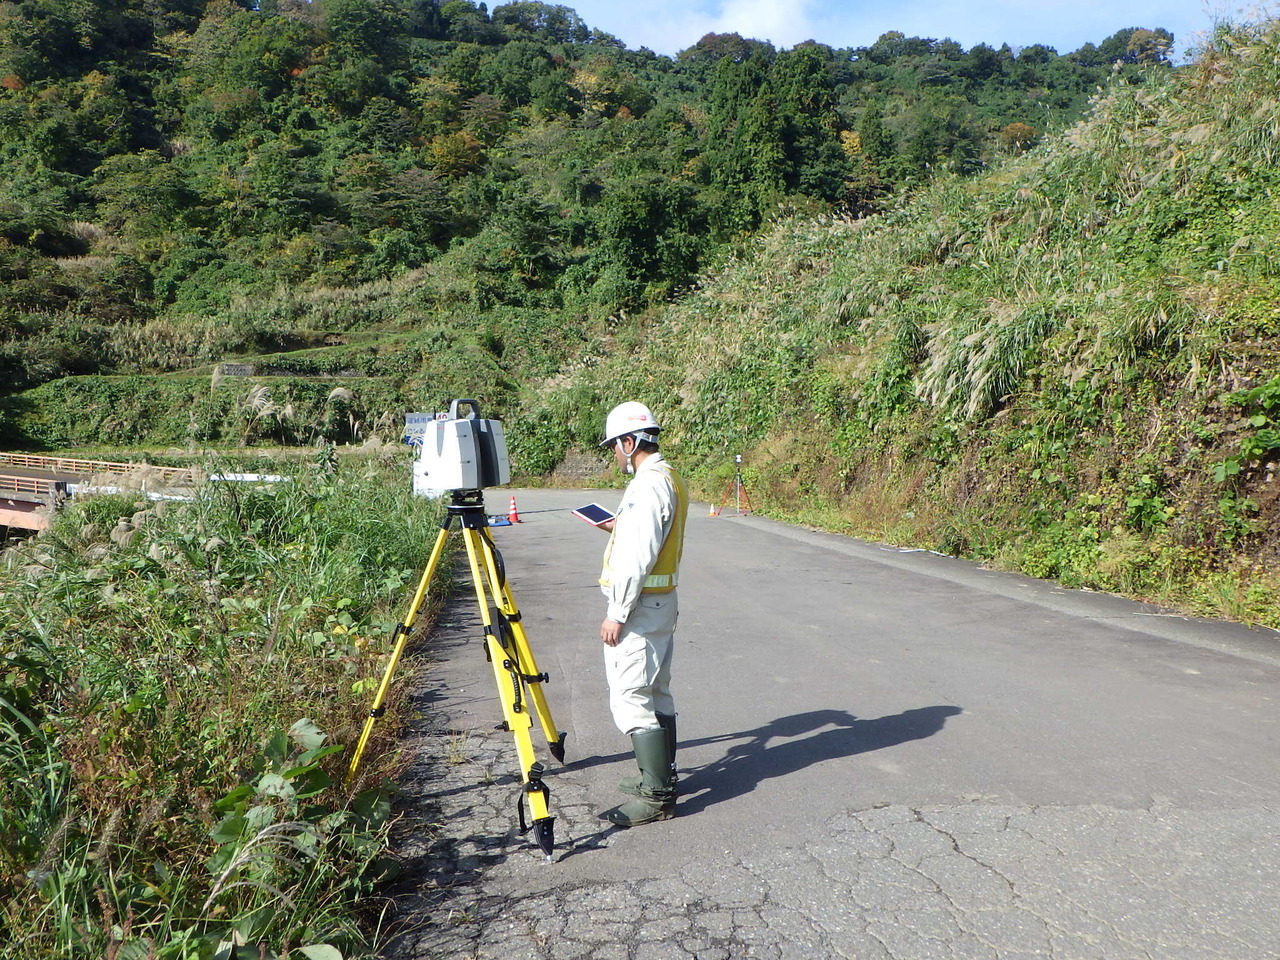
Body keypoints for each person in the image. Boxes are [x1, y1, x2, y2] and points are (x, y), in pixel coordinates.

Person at [594, 401, 689, 827]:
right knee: (656, 691)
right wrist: (618, 526)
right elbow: (648, 535)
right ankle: (661, 776)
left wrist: (616, 613)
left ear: (630, 442)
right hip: (659, 601)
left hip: (639, 608)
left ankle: (656, 797)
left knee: (632, 695)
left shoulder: (648, 485)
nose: (615, 453)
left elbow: (636, 559)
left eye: (616, 446)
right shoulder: (666, 477)